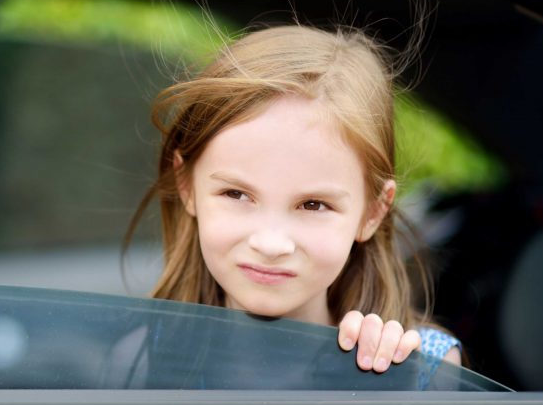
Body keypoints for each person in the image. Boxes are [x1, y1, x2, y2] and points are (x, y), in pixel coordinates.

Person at [127, 24, 461, 373]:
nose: (271, 243)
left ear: (373, 212)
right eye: (236, 193)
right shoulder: (142, 357)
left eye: (313, 204)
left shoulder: (422, 367)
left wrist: (387, 393)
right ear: (186, 185)